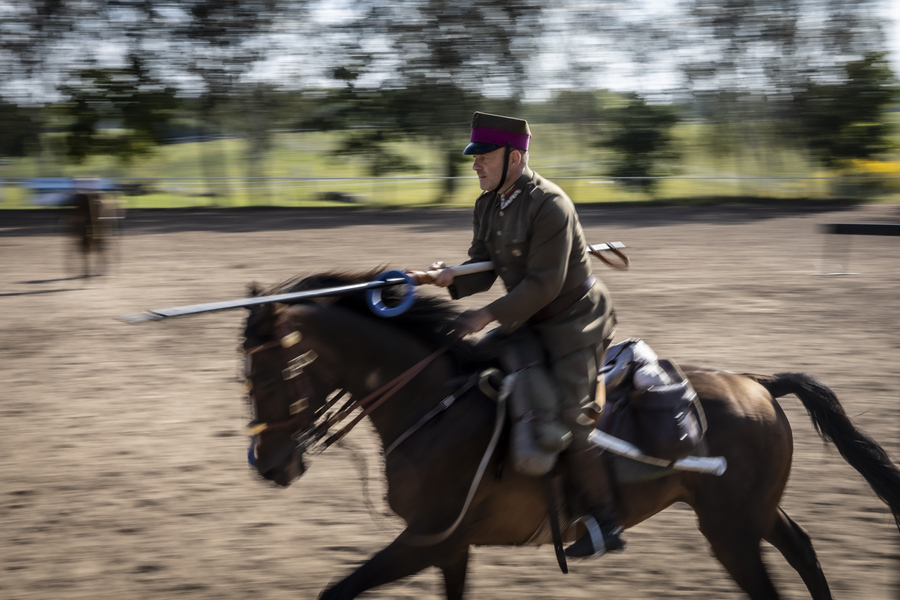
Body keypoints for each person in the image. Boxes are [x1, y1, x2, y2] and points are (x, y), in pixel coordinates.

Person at [429, 111, 624, 558]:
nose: (475, 164)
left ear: (514, 158)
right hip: (527, 320)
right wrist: (449, 279)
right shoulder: (488, 203)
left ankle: (606, 523)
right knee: (472, 377)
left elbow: (544, 286)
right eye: (473, 156)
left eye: (484, 156)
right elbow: (483, 266)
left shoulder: (551, 204)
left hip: (575, 323)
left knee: (574, 420)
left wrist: (485, 316)